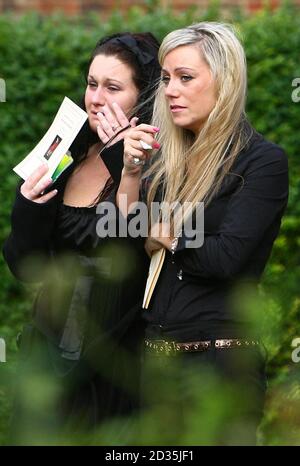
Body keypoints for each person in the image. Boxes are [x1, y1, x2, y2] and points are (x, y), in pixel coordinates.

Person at [116, 22, 289, 445]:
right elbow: (124, 231)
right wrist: (130, 171)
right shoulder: (167, 162)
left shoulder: (261, 162)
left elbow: (226, 258)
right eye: (167, 78)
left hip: (221, 365)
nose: (169, 90)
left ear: (225, 82)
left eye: (185, 78)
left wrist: (166, 234)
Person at [3, 32, 161, 444]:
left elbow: (132, 248)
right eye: (92, 84)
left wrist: (120, 158)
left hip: (114, 358)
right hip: (48, 348)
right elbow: (23, 264)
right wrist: (28, 205)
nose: (95, 98)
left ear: (141, 98)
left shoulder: (160, 164)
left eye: (113, 87)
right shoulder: (69, 154)